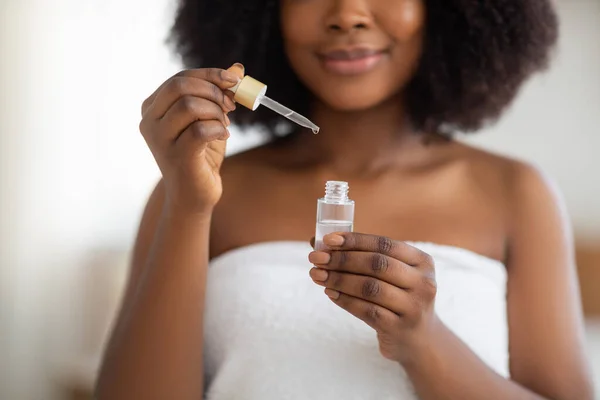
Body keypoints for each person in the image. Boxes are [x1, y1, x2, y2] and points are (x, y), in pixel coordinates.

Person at [95, 0, 594, 399]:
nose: (348, 14)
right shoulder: (195, 185)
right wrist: (188, 203)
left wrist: (424, 343)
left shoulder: (517, 194)